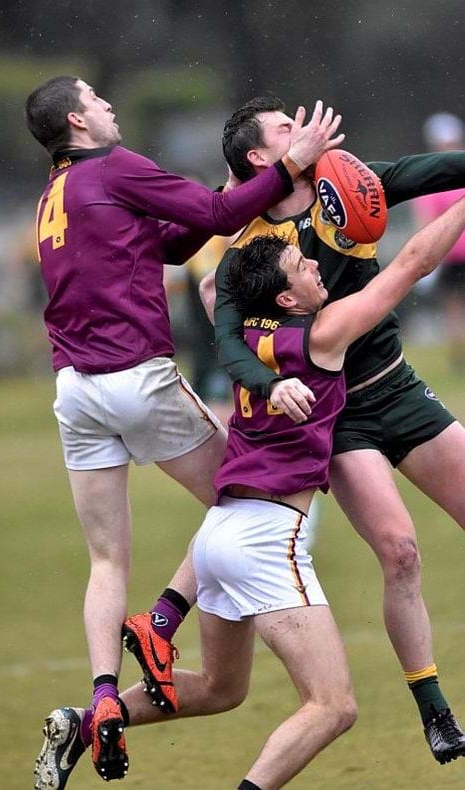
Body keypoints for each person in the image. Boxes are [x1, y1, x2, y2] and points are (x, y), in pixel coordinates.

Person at [37, 194, 465, 790]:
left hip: (216, 537)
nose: (315, 266)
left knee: (221, 689)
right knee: (333, 706)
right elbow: (414, 261)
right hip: (265, 543)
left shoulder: (237, 333)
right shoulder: (324, 335)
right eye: (301, 268)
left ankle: (85, 723)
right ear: (287, 299)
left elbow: (216, 287)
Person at [22, 75, 342, 780]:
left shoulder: (55, 192)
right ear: (79, 120)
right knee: (248, 496)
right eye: (98, 99)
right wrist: (289, 165)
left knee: (107, 560)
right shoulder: (116, 164)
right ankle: (163, 620)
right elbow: (222, 210)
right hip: (136, 378)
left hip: (74, 393)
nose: (110, 105)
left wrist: (228, 199)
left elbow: (172, 241)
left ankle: (103, 697)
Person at [197, 96, 465, 764]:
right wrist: (266, 377)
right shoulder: (248, 248)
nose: (307, 128)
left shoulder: (340, 183)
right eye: (288, 127)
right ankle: (435, 712)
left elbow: (415, 172)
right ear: (260, 158)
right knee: (400, 550)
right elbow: (225, 329)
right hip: (337, 419)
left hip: (398, 387)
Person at [411, 112, 465, 373]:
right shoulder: (434, 176)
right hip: (451, 255)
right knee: (453, 308)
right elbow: (425, 220)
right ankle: (457, 358)